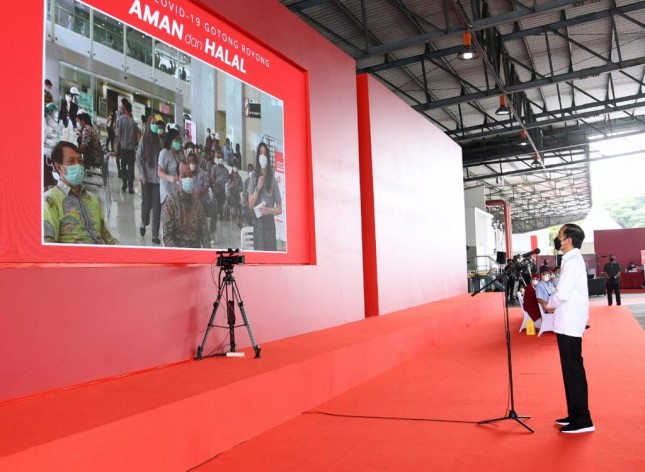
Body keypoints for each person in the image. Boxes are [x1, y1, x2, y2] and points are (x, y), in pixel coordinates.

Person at [545, 224, 594, 433]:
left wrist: (549, 304)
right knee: (570, 369)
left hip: (570, 322)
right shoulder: (571, 260)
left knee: (573, 370)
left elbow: (563, 292)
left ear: (569, 240)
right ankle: (575, 414)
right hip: (567, 321)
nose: (557, 238)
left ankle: (583, 419)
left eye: (560, 235)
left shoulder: (572, 261)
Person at [43, 141, 117, 245]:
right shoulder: (50, 200)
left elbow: (106, 234)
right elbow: (48, 243)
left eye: (80, 161)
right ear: (59, 167)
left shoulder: (93, 199)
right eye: (71, 161)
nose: (78, 165)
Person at [161, 160, 211, 248]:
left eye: (190, 175)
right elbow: (167, 236)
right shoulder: (171, 203)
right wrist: (179, 255)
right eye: (184, 176)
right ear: (178, 179)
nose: (188, 178)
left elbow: (204, 233)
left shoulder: (197, 203)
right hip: (178, 253)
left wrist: (207, 253)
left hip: (195, 252)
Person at [247, 142, 282, 251]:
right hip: (258, 224)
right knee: (259, 259)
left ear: (268, 157)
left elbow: (279, 209)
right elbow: (250, 205)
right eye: (260, 153)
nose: (263, 156)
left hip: (269, 225)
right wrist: (258, 187)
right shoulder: (253, 176)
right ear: (258, 157)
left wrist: (268, 210)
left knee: (271, 258)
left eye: (265, 153)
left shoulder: (272, 179)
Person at [136, 116, 163, 245]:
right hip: (146, 178)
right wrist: (142, 174)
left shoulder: (159, 140)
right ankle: (143, 221)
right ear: (148, 124)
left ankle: (155, 235)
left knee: (157, 207)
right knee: (146, 205)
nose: (154, 125)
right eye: (152, 123)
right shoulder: (144, 139)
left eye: (155, 123)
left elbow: (162, 159)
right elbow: (139, 158)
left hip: (157, 180)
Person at [187, 151, 217, 239]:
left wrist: (200, 192)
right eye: (189, 161)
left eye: (193, 161)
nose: (191, 163)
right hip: (192, 202)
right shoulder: (186, 173)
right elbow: (184, 188)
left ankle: (211, 232)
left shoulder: (202, 172)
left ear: (196, 161)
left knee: (214, 213)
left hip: (204, 199)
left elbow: (207, 184)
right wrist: (192, 194)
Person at [115, 100, 140, 193]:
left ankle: (124, 183)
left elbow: (118, 132)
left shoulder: (121, 119)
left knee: (123, 165)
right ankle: (131, 187)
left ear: (125, 109)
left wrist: (120, 139)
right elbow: (138, 132)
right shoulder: (133, 122)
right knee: (131, 167)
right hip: (132, 149)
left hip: (123, 147)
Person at [158, 128, 184, 206]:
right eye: (176, 140)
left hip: (179, 191)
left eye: (179, 140)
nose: (178, 142)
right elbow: (159, 171)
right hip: (168, 192)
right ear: (170, 140)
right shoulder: (164, 153)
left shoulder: (180, 154)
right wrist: (169, 178)